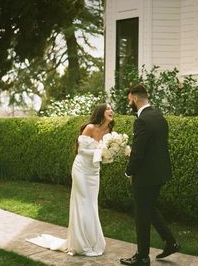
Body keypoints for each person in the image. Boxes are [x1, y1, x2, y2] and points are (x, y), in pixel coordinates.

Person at [27, 103, 114, 257]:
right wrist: (99, 150)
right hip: (81, 169)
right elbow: (81, 150)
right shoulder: (90, 128)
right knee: (83, 202)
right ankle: (80, 244)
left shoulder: (109, 132)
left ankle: (92, 241)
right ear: (101, 112)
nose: (111, 111)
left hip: (94, 172)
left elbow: (106, 156)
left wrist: (108, 154)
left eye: (111, 109)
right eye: (107, 108)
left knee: (92, 204)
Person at [120, 85, 180, 266]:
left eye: (129, 99)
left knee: (142, 215)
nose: (129, 103)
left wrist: (128, 171)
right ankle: (171, 242)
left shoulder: (142, 121)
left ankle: (142, 257)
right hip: (159, 174)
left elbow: (138, 153)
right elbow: (154, 148)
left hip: (145, 177)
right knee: (150, 209)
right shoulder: (159, 116)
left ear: (135, 98)